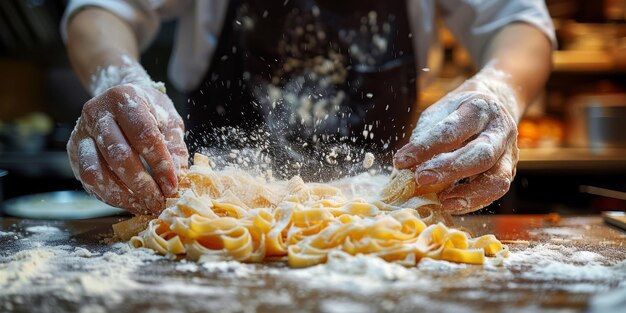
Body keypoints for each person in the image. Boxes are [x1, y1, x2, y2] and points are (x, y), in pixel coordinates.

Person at [61, 0, 555, 215]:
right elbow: (101, 9)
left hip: (384, 205)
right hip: (209, 207)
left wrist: (498, 88)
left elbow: (518, 19)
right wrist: (118, 75)